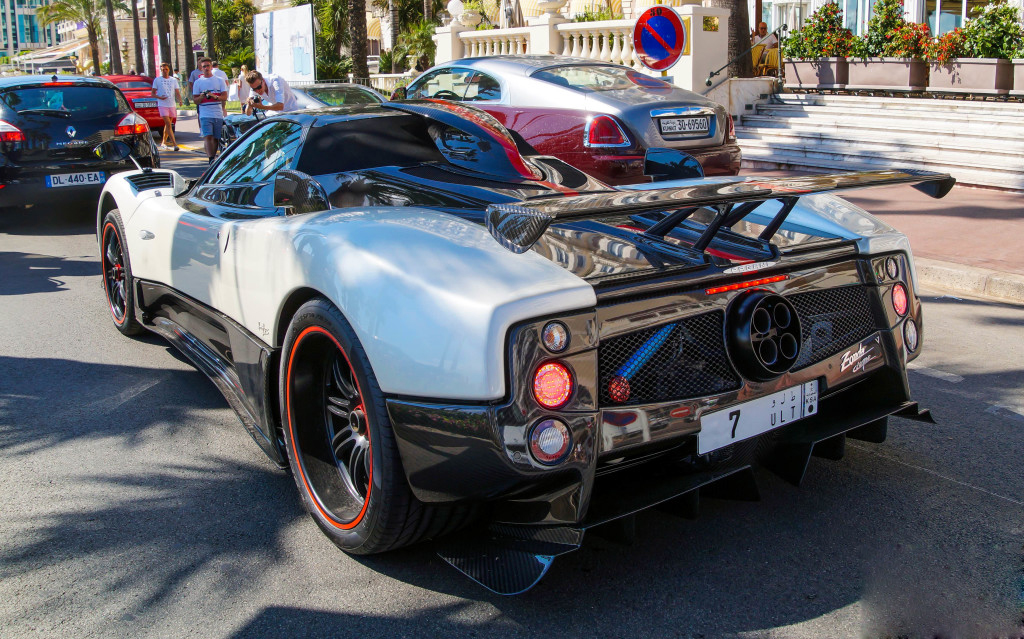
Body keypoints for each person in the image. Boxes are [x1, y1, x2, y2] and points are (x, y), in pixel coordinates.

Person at [192, 57, 228, 164]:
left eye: (208, 66)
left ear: (211, 67)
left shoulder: (219, 81)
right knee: (208, 136)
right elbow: (195, 100)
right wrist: (202, 96)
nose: (206, 68)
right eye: (204, 66)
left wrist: (215, 96)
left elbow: (224, 96)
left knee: (216, 137)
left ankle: (213, 156)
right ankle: (211, 159)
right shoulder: (198, 83)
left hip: (217, 113)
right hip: (205, 113)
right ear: (201, 68)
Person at [151, 62, 181, 151]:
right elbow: (152, 93)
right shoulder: (157, 80)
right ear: (160, 70)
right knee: (168, 124)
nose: (165, 71)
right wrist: (160, 97)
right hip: (162, 104)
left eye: (166, 69)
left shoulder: (173, 80)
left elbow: (177, 91)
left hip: (171, 104)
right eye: (163, 70)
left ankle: (163, 142)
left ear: (169, 70)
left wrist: (180, 100)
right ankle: (175, 144)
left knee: (168, 125)